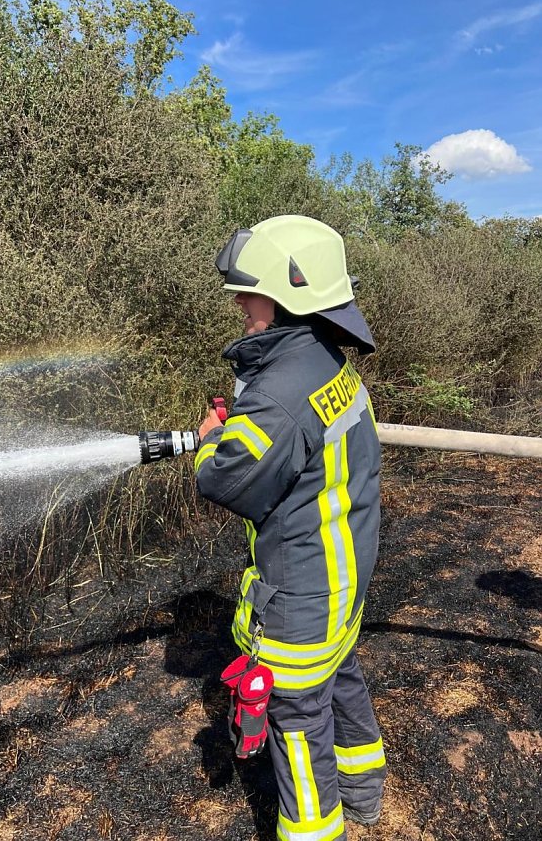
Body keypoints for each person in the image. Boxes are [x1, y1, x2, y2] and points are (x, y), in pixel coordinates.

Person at [195, 215, 387, 841]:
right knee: (341, 677)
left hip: (303, 591)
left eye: (247, 294)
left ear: (284, 297)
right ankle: (365, 793)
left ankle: (314, 830)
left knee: (295, 718)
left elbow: (228, 482)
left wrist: (209, 443)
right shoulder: (330, 363)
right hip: (345, 575)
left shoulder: (278, 394)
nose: (240, 305)